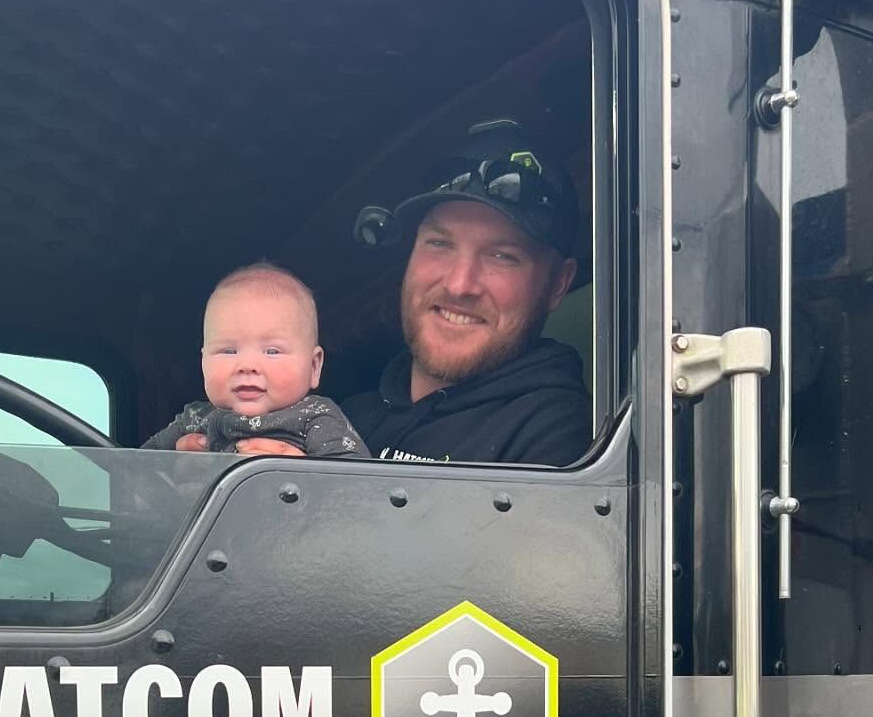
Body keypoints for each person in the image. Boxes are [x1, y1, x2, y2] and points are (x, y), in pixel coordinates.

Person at [345, 120, 592, 466]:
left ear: (558, 285)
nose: (460, 285)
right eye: (440, 243)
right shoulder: (345, 420)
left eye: (502, 256)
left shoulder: (564, 440)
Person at [142, 263, 368, 458]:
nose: (247, 366)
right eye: (228, 351)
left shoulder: (317, 417)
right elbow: (137, 465)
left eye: (272, 351)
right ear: (203, 362)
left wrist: (307, 477)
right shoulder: (195, 419)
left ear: (313, 367)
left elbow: (357, 483)